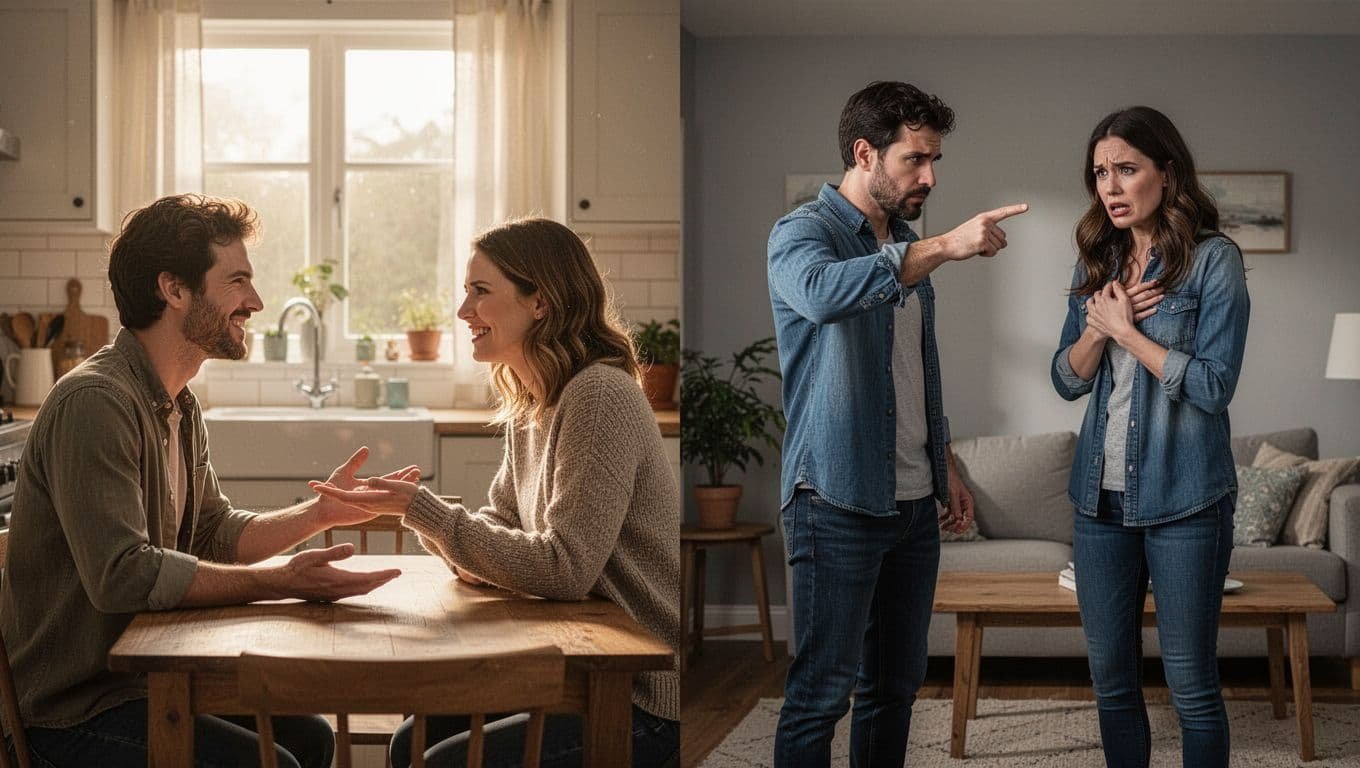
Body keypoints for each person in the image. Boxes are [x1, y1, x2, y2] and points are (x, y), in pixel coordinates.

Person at [0, 194, 408, 768]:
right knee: (274, 761)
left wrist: (318, 516)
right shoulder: (95, 403)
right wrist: (278, 582)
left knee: (310, 738)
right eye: (237, 281)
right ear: (174, 290)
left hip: (145, 683)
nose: (256, 302)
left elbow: (213, 530)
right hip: (70, 713)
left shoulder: (178, 404)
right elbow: (124, 575)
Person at [311, 217, 680, 767]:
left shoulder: (599, 395)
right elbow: (503, 537)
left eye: (480, 293)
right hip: (566, 664)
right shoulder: (535, 401)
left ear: (541, 302)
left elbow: (563, 569)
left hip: (636, 696)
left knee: (440, 761)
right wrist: (415, 514)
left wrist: (427, 514)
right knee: (409, 741)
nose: (463, 312)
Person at [766, 80, 1028, 766]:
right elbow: (824, 297)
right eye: (914, 159)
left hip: (914, 505)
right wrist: (945, 246)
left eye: (934, 159)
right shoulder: (802, 234)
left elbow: (913, 374)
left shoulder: (908, 244)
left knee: (894, 687)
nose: (929, 176)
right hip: (835, 499)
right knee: (821, 693)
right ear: (864, 153)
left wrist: (948, 463)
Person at [1051, 106, 1249, 768]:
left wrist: (1130, 334)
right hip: (1098, 506)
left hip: (1187, 499)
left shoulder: (1214, 262)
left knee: (1191, 688)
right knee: (1112, 686)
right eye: (1100, 172)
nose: (1109, 186)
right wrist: (1098, 327)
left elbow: (1216, 387)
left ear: (1166, 174)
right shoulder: (1096, 258)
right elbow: (1065, 377)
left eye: (1126, 170)